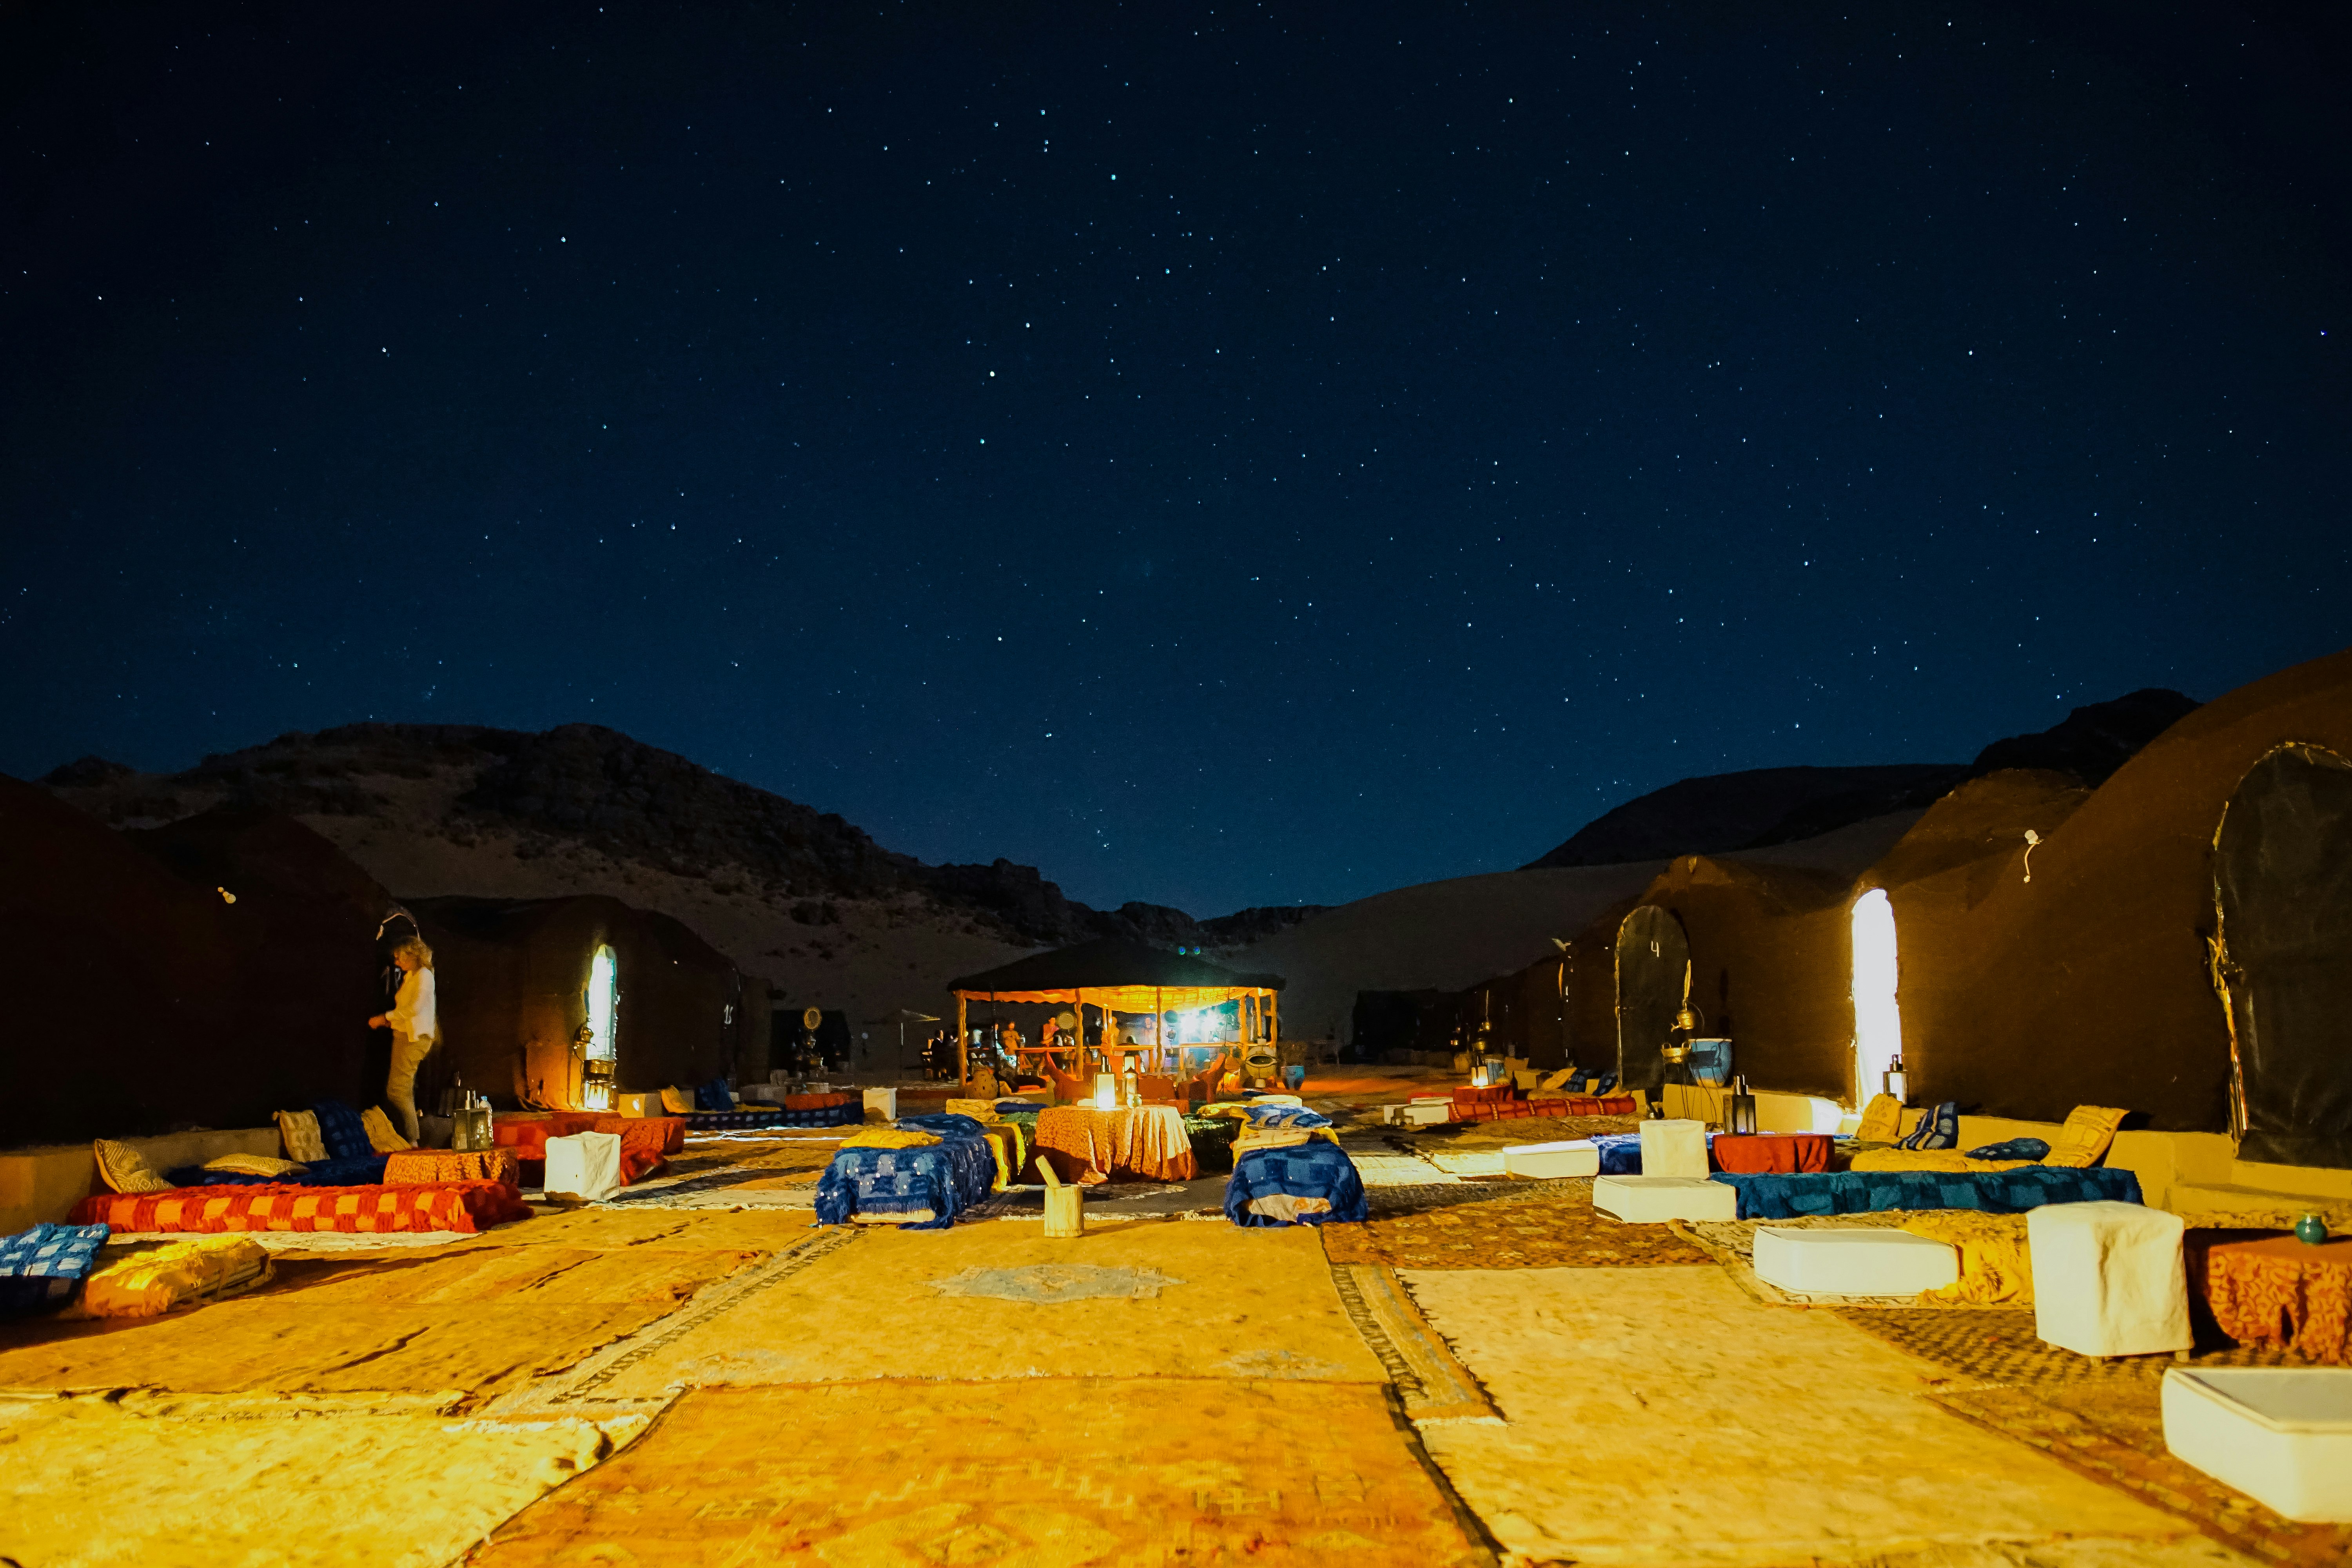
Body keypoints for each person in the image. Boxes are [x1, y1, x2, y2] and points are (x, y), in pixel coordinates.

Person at [368, 937, 438, 1143]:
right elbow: (408, 1011)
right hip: (405, 1035)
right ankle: (409, 1139)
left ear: (412, 955)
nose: (397, 962)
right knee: (400, 1090)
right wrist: (391, 1023)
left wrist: (385, 1018)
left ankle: (412, 1141)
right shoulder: (412, 976)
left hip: (414, 1039)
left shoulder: (425, 976)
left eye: (399, 957)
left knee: (398, 1091)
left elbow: (415, 1010)